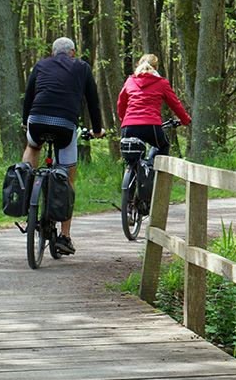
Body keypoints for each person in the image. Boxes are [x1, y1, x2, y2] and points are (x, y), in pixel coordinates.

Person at [22, 37, 105, 256]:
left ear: (52, 52)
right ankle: (65, 237)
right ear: (73, 52)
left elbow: (29, 97)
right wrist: (97, 129)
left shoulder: (40, 65)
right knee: (68, 178)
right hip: (64, 125)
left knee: (33, 146)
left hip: (36, 120)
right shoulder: (82, 67)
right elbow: (92, 101)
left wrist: (25, 121)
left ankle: (26, 185)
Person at [117, 54, 191, 159]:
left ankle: (132, 170)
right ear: (156, 68)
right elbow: (175, 104)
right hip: (151, 126)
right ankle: (153, 168)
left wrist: (124, 120)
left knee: (130, 152)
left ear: (138, 66)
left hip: (129, 127)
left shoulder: (130, 81)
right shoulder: (161, 83)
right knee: (163, 145)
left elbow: (121, 103)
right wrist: (185, 120)